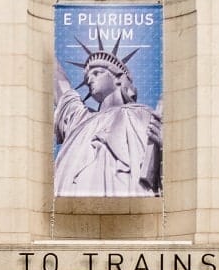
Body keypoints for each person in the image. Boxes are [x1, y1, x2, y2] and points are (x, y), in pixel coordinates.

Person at [53, 39, 163, 197]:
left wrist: (163, 147)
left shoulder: (142, 115)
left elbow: (156, 170)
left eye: (97, 73)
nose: (89, 79)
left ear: (118, 78)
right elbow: (58, 82)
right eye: (88, 77)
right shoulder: (81, 119)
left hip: (128, 198)